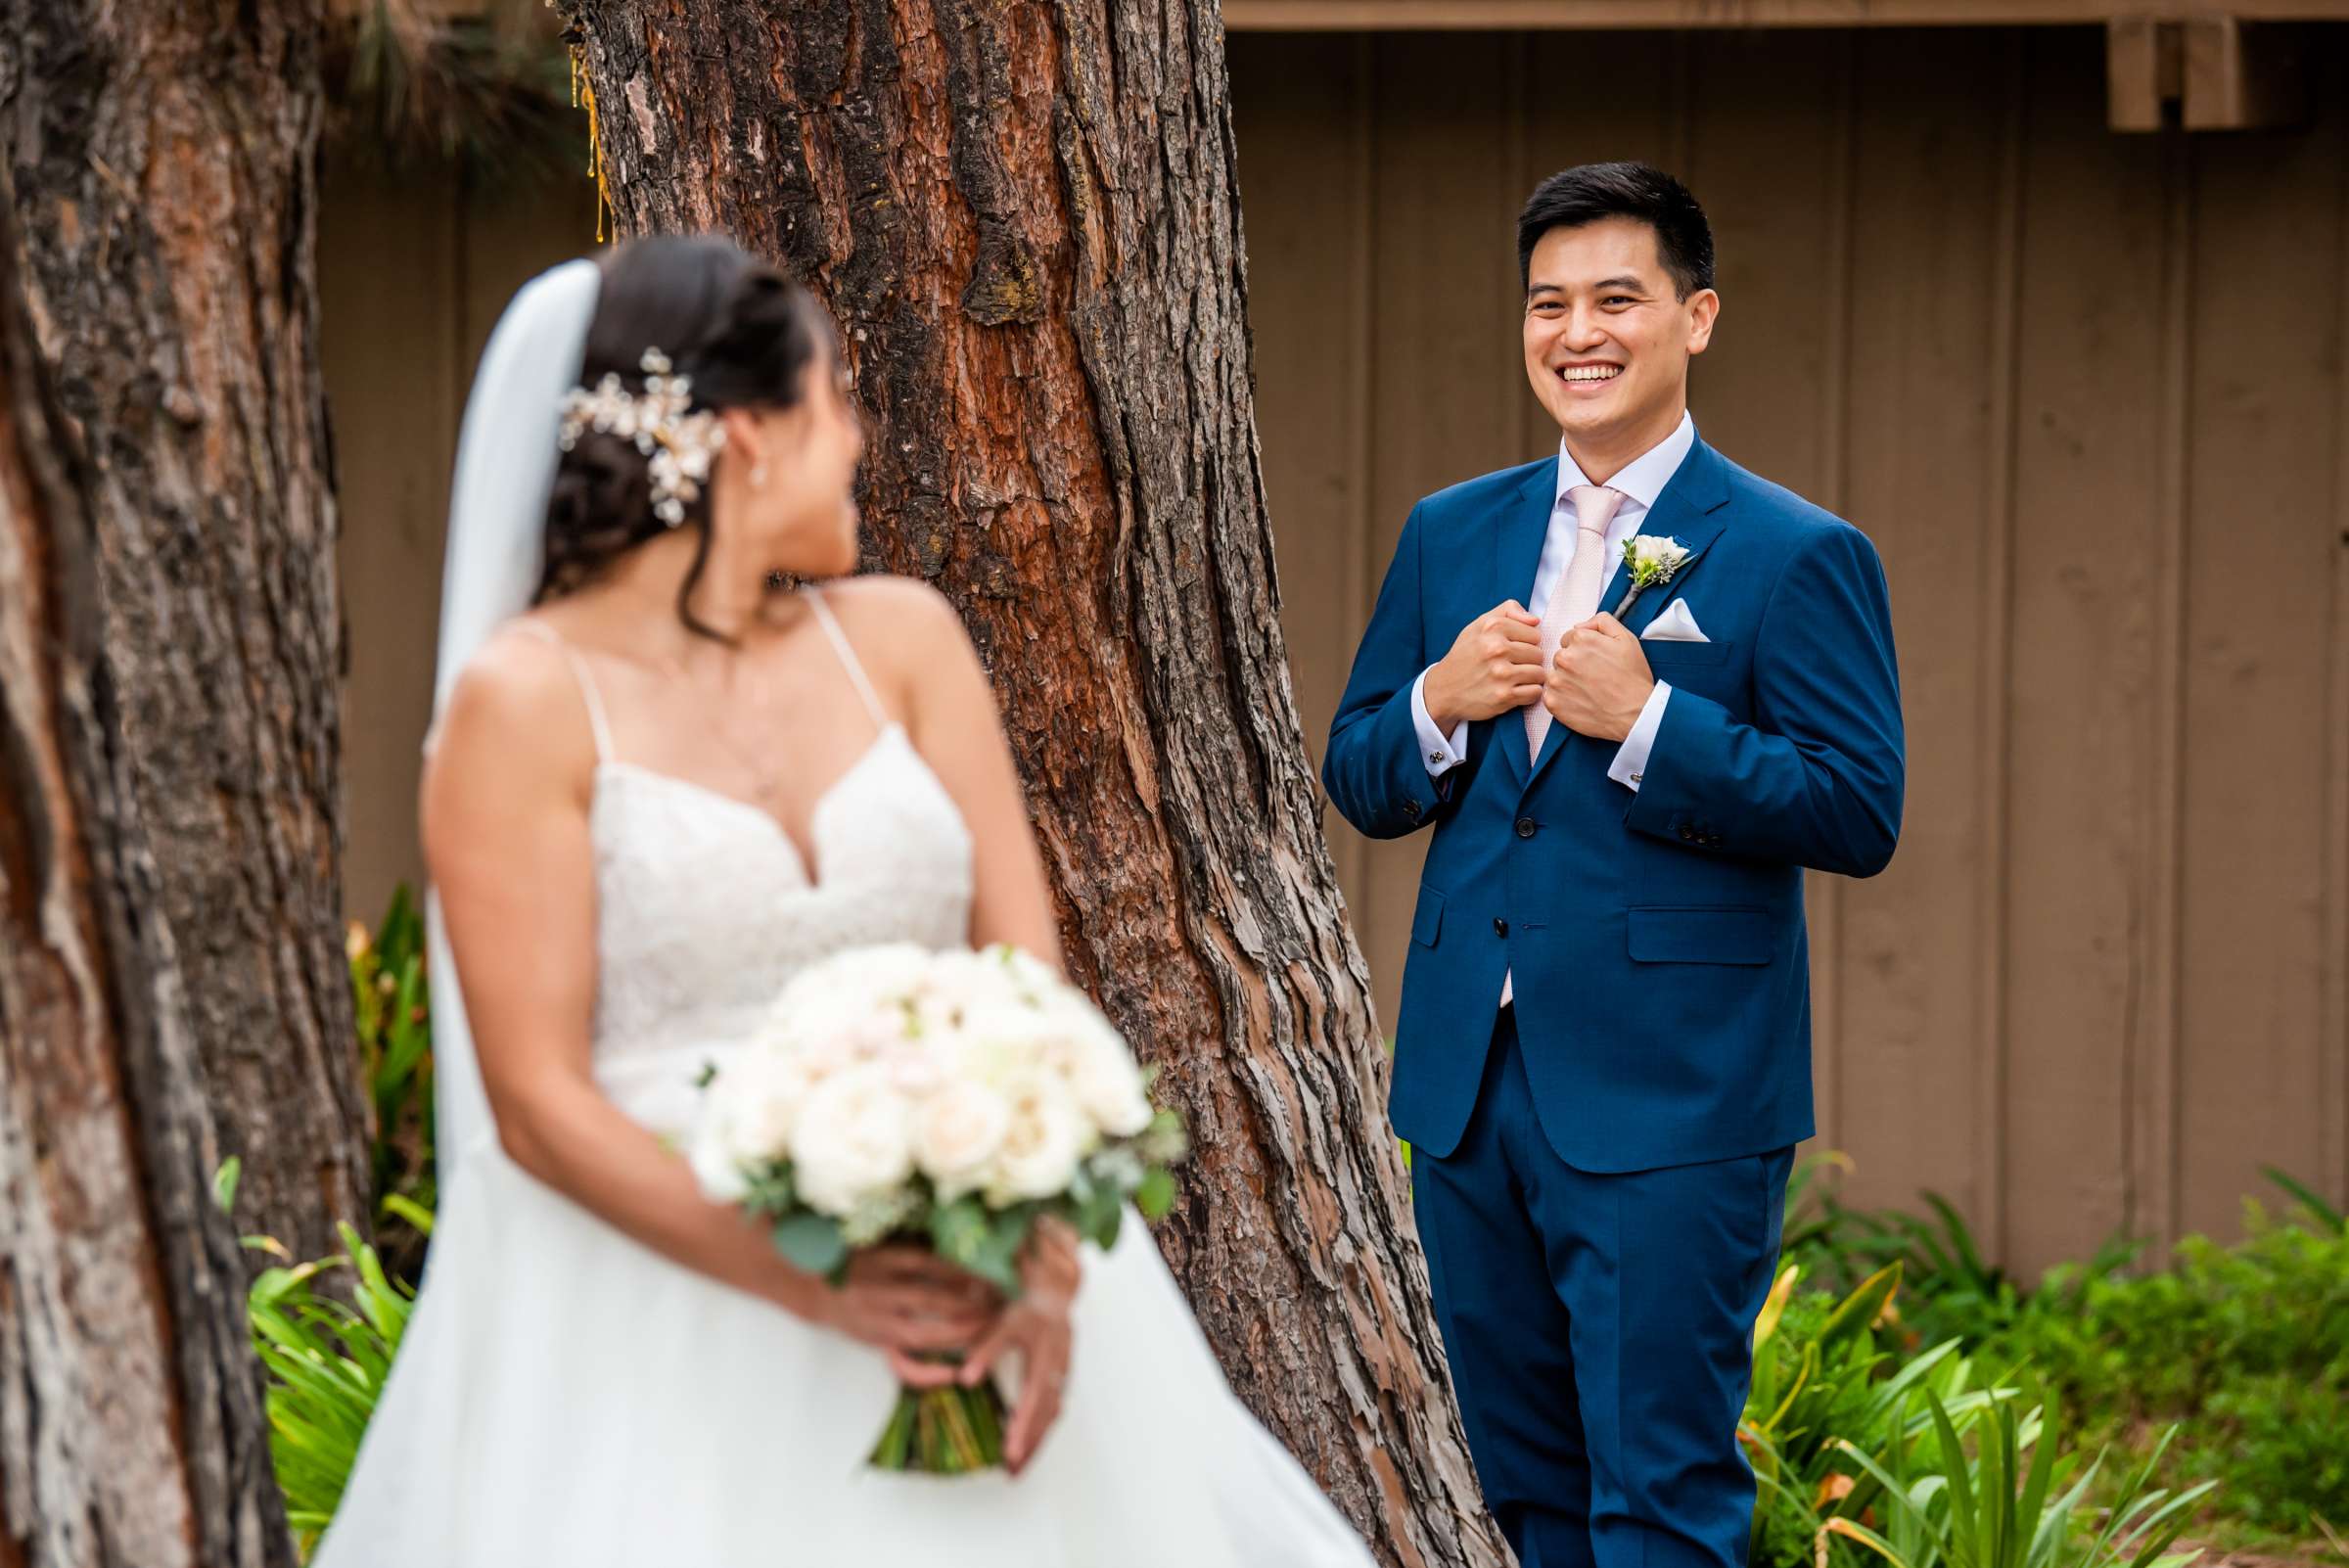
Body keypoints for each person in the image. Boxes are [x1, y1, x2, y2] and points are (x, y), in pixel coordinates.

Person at [313, 234, 1376, 1567]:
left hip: (972, 1277)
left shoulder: (904, 639)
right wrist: (809, 1277)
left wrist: (1043, 1255)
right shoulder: (523, 700)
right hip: (655, 1310)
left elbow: (1025, 984)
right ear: (751, 435)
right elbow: (533, 1103)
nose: (862, 440)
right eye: (840, 403)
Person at [1322, 161, 1905, 1568]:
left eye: (1615, 299)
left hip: (1674, 1096)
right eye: (1548, 304)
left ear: (1694, 317)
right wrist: (1436, 704)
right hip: (1466, 1089)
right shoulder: (1450, 531)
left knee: (1657, 1492)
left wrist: (1650, 722)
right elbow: (1358, 768)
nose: (1576, 332)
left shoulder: (1794, 551)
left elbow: (1855, 806)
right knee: (1513, 1486)